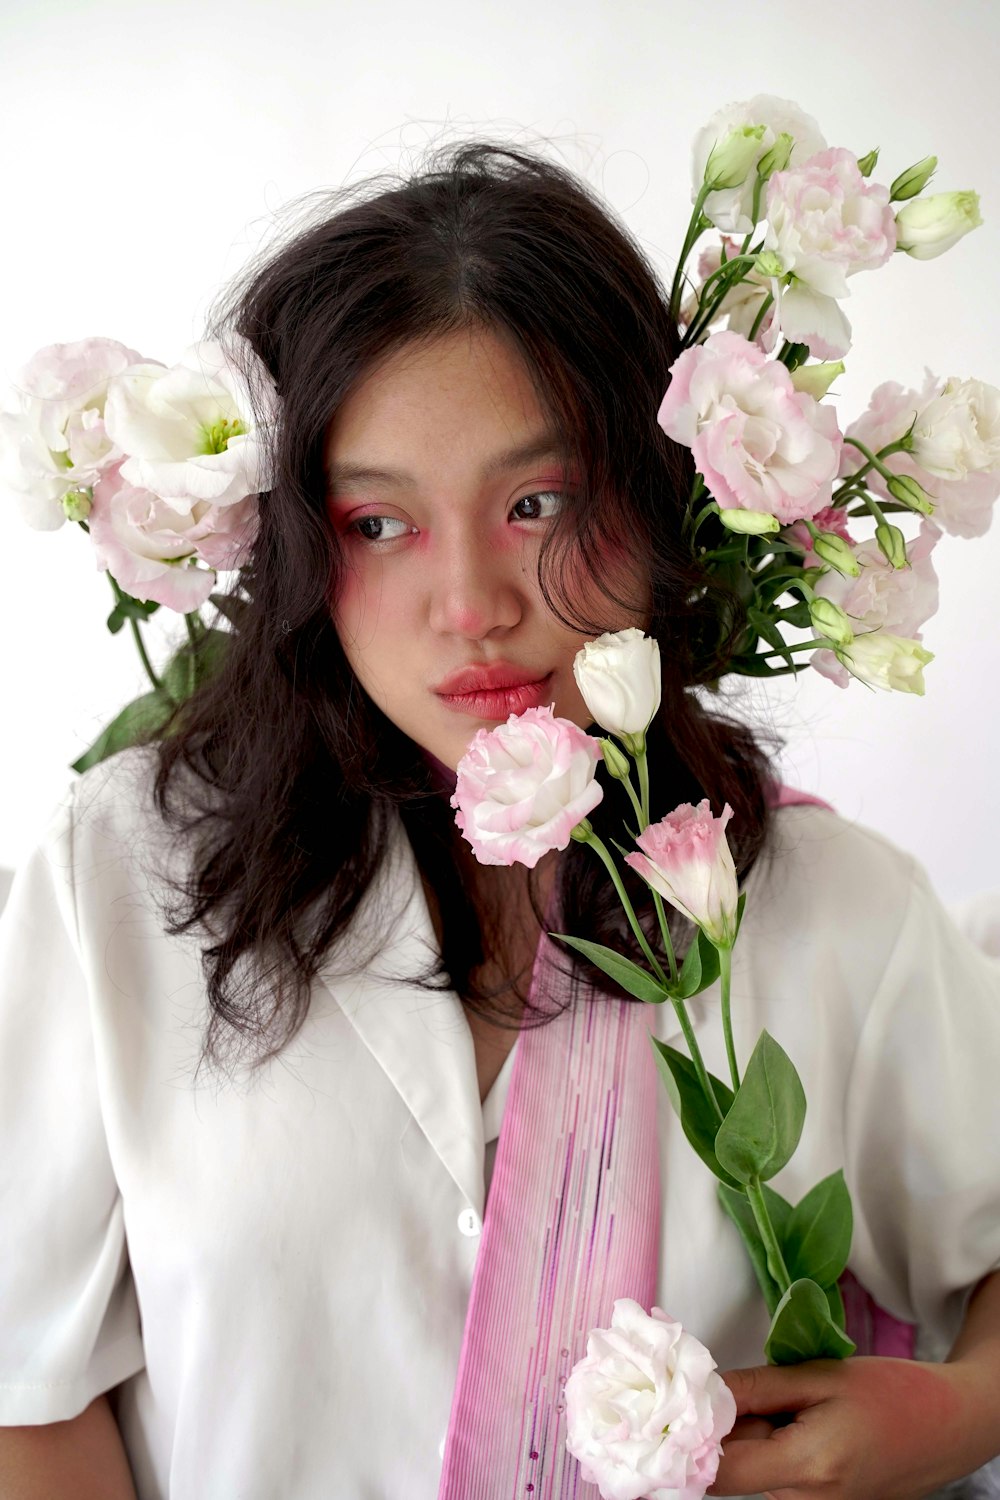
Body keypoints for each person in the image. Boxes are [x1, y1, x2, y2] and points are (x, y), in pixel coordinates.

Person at [0, 141, 999, 1500]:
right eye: (376, 522)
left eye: (540, 504)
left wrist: (961, 1413)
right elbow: (24, 1391)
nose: (470, 602)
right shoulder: (117, 875)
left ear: (665, 502)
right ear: (291, 542)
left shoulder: (834, 905)